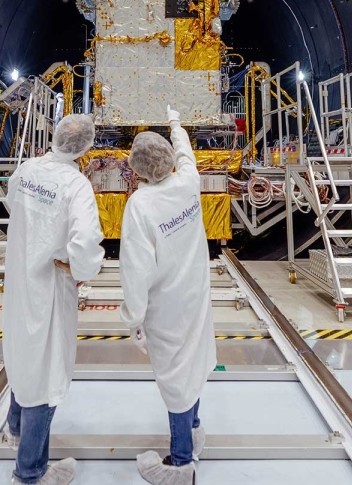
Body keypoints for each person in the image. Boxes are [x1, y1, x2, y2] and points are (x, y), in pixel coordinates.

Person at [2, 113, 105, 485]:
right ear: (85, 147)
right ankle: (29, 472)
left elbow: (14, 202)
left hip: (20, 277)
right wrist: (78, 267)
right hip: (48, 286)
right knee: (44, 373)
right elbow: (86, 242)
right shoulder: (76, 186)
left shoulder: (27, 170)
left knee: (22, 354)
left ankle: (14, 429)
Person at [120, 105, 216, 485]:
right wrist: (175, 123)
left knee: (176, 378)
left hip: (167, 305)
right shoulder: (187, 182)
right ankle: (193, 434)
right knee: (192, 365)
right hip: (196, 293)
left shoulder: (140, 206)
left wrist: (133, 318)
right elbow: (186, 154)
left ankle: (180, 464)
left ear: (136, 168)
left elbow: (136, 270)